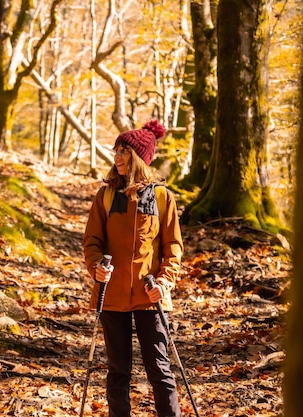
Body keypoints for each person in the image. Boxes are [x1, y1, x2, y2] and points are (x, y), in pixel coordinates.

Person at [83, 120, 184, 417]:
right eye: (116, 150)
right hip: (111, 295)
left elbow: (173, 248)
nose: (117, 156)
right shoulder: (105, 196)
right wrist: (96, 267)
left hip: (150, 297)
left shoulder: (163, 198)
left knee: (159, 370)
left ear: (139, 157)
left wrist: (164, 284)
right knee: (118, 371)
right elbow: (93, 241)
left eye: (124, 151)